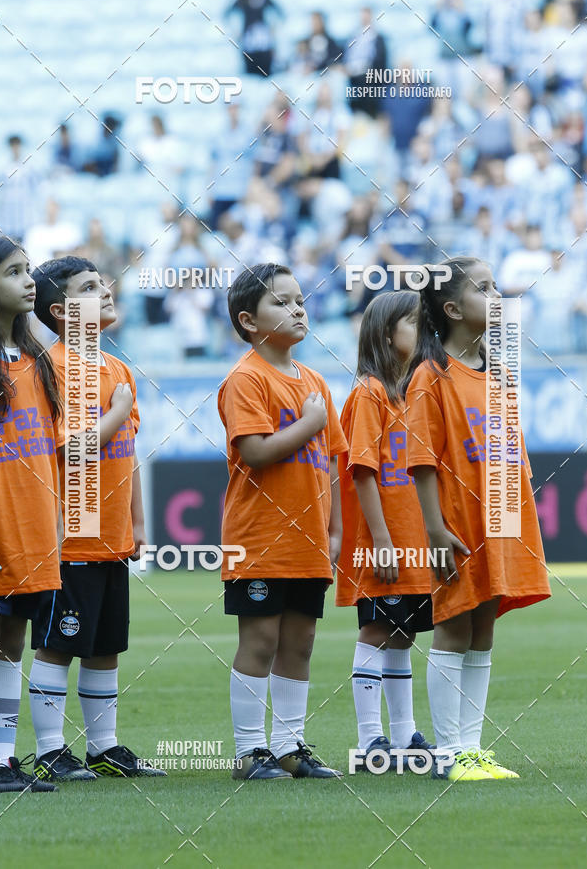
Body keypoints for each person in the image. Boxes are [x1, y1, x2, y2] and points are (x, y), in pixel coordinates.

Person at [403, 256, 551, 780]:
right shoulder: (430, 376)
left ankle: (472, 748)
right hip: (458, 523)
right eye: (483, 288)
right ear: (451, 309)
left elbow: (514, 456)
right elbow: (421, 460)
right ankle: (448, 754)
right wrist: (434, 529)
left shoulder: (499, 372)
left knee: (484, 629)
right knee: (454, 626)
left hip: (499, 521)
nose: (496, 297)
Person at [29, 256, 164, 781]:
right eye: (89, 287)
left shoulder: (117, 369)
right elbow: (65, 449)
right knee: (58, 643)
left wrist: (138, 523)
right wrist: (115, 413)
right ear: (62, 312)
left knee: (106, 645)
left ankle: (103, 747)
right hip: (71, 533)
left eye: (103, 282)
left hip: (112, 534)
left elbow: (128, 452)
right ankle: (49, 750)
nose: (106, 290)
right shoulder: (51, 368)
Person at [218, 263, 347, 779]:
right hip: (259, 539)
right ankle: (250, 751)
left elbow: (331, 462)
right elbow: (255, 452)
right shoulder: (246, 378)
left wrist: (335, 529)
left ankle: (290, 746)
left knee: (300, 643)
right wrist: (310, 422)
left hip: (307, 540)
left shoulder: (314, 380)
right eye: (282, 301)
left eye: (300, 301)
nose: (297, 309)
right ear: (249, 321)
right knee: (261, 641)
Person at [336, 292, 434, 770]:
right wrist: (381, 540)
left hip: (413, 539)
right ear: (386, 333)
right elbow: (362, 470)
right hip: (385, 540)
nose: (423, 331)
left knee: (403, 633)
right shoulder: (369, 392)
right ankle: (371, 738)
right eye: (414, 323)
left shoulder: (413, 393)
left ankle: (403, 734)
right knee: (376, 629)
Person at [0, 235, 62, 793]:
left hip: (31, 523)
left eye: (28, 269)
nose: (28, 281)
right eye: (13, 272)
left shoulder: (37, 358)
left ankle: (2, 757)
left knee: (11, 640)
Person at [225, 0, 283, 77]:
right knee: (250, 61)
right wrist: (235, 31)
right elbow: (227, 14)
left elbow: (280, 12)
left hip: (262, 35)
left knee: (265, 60)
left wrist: (274, 27)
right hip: (249, 35)